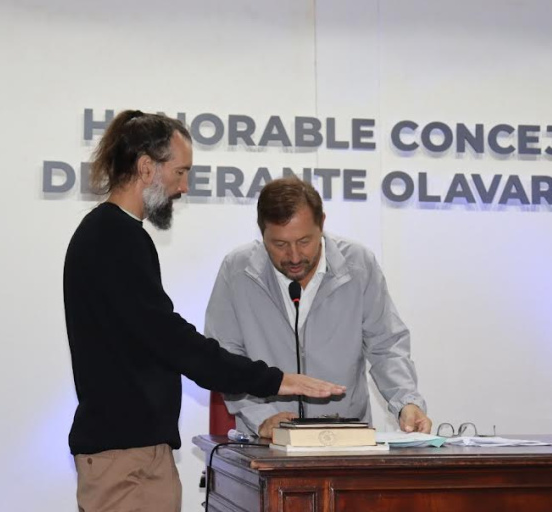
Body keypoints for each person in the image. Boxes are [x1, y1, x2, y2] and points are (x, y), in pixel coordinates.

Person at [63, 111, 345, 512]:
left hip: (131, 456)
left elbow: (158, 338)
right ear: (146, 168)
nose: (183, 187)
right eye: (180, 172)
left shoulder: (114, 234)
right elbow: (172, 341)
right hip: (126, 462)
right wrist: (274, 379)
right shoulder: (113, 238)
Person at [204, 177, 431, 439]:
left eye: (304, 241)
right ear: (261, 232)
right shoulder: (237, 271)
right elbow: (225, 358)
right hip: (266, 441)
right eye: (280, 244)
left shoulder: (359, 265)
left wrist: (406, 402)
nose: (294, 256)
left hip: (345, 438)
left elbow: (386, 345)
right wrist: (261, 418)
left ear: (322, 223)